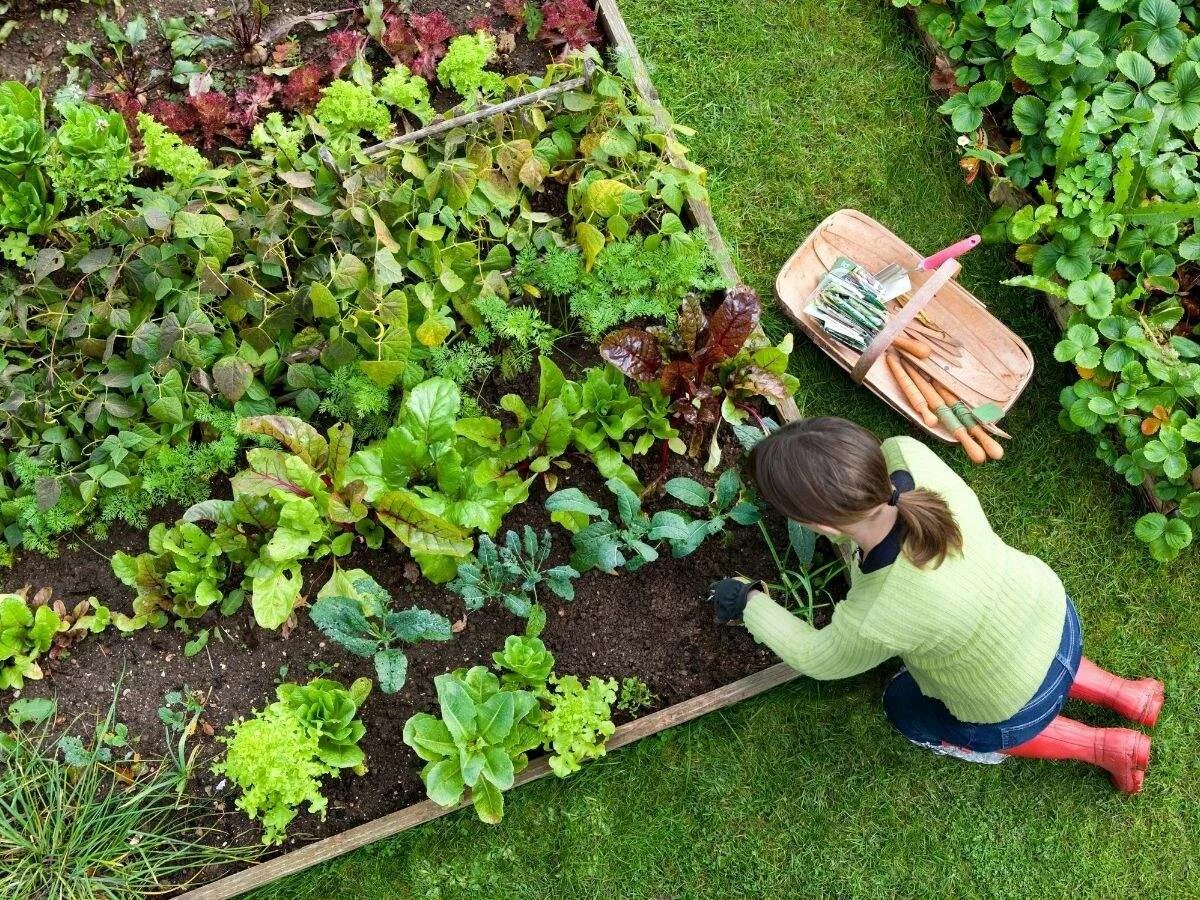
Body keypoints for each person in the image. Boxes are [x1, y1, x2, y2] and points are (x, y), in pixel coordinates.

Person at [710, 417, 1164, 794]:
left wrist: (748, 601)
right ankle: (1128, 694)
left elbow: (818, 657)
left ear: (819, 525)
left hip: (1011, 702)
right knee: (1022, 651)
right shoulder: (909, 456)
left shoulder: (879, 610)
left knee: (904, 706)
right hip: (1052, 615)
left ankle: (1105, 747)